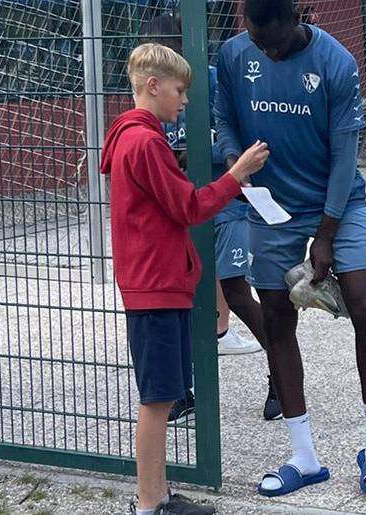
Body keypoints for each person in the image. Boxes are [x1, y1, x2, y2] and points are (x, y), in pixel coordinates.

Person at [214, 0, 366, 500]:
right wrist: (235, 163)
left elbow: (344, 156)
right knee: (276, 319)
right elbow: (225, 119)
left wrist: (327, 233)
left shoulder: (336, 63)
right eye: (258, 42)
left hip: (338, 202)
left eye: (274, 42)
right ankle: (303, 456)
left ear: (296, 19)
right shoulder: (233, 55)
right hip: (270, 206)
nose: (267, 52)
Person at [102, 42, 270, 515]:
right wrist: (235, 175)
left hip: (158, 283)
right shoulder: (145, 142)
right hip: (154, 286)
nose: (185, 100)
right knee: (158, 400)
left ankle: (158, 495)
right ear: (153, 86)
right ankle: (149, 502)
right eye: (179, 90)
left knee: (164, 395)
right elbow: (189, 207)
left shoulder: (136, 137)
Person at [139, 14, 278, 425]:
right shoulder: (149, 97)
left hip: (225, 204)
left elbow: (241, 138)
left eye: (169, 52)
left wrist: (201, 153)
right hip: (182, 208)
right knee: (180, 298)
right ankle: (181, 393)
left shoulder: (215, 82)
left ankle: (281, 375)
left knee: (236, 292)